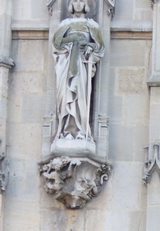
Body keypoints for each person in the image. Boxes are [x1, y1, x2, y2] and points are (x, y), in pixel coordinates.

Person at [52, 0, 104, 142]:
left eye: (81, 0)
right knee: (65, 96)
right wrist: (69, 44)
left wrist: (90, 48)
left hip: (82, 64)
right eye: (75, 0)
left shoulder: (92, 25)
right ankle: (66, 131)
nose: (78, 4)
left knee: (80, 96)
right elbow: (56, 44)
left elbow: (99, 47)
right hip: (67, 64)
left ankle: (81, 130)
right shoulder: (65, 24)